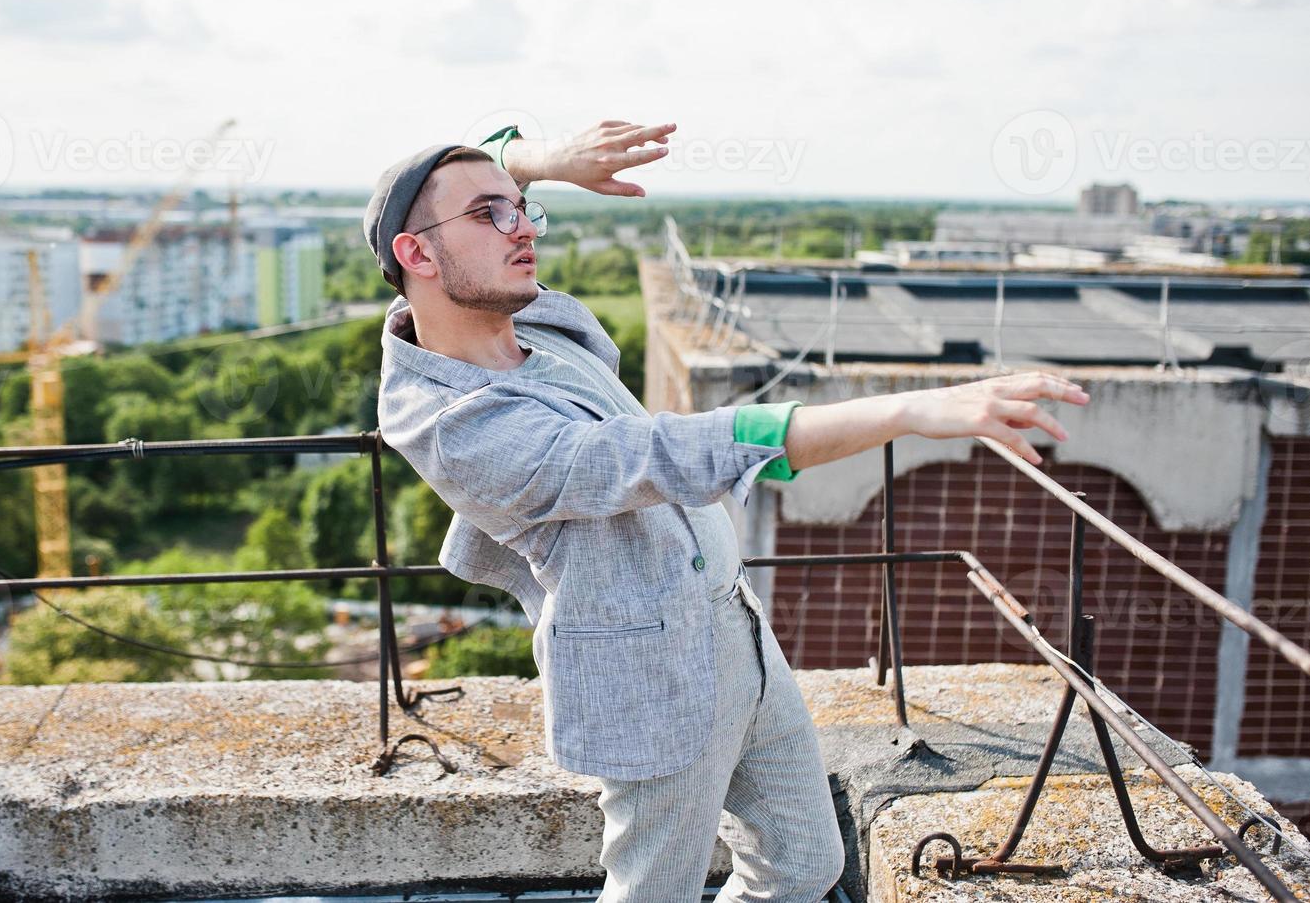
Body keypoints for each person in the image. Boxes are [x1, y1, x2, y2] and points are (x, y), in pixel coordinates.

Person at [368, 121, 1091, 901]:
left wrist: (537, 162)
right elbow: (662, 457)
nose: (525, 231)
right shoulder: (451, 421)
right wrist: (907, 409)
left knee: (806, 866)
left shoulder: (521, 321)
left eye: (524, 210)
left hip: (733, 631)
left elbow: (453, 193)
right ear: (416, 255)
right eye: (492, 215)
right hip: (645, 673)